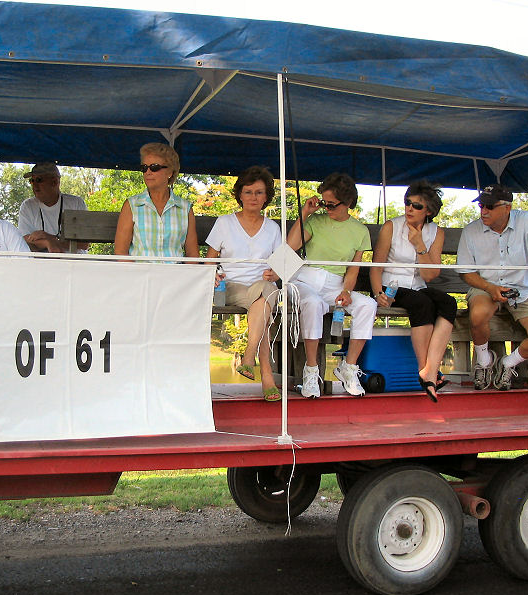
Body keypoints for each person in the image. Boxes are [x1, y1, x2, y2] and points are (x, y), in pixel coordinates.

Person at [457, 184, 528, 390]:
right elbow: (466, 272)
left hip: (524, 289)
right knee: (478, 315)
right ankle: (484, 362)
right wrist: (490, 288)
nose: (483, 211)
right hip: (486, 287)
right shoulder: (471, 231)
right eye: (481, 205)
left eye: (490, 206)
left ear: (507, 207)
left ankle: (507, 363)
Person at [286, 173, 377, 397]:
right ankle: (311, 371)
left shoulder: (360, 231)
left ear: (348, 203)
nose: (326, 208)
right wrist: (305, 213)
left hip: (336, 284)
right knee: (313, 303)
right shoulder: (315, 221)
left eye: (332, 205)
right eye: (324, 203)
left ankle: (349, 367)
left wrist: (347, 290)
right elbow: (290, 247)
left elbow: (353, 268)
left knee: (367, 305)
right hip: (305, 279)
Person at [370, 181, 457, 401]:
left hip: (419, 285)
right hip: (393, 287)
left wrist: (419, 243)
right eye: (408, 203)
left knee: (448, 302)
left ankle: (431, 368)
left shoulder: (436, 233)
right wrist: (377, 291)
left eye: (417, 206)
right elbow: (376, 264)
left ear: (429, 211)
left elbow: (429, 276)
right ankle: (426, 372)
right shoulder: (392, 226)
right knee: (422, 303)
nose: (410, 208)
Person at [206, 166, 282, 402]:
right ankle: (265, 373)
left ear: (266, 196)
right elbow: (210, 261)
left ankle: (250, 357)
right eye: (248, 192)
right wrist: (214, 276)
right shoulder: (224, 222)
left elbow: (280, 267)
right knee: (266, 298)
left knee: (265, 295)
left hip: (261, 287)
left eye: (259, 192)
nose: (253, 197)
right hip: (230, 286)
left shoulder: (273, 228)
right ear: (239, 194)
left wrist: (275, 274)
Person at [114, 143, 199, 259]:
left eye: (154, 167)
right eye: (144, 168)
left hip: (175, 275)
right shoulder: (131, 205)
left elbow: (193, 256)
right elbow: (120, 253)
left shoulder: (185, 209)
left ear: (170, 172)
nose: (148, 172)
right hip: (140, 275)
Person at [17, 162, 89, 253]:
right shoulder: (27, 206)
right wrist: (47, 243)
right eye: (32, 180)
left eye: (39, 180)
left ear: (54, 182)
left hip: (73, 263)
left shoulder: (76, 203)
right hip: (41, 265)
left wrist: (51, 239)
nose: (34, 185)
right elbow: (25, 241)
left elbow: (84, 244)